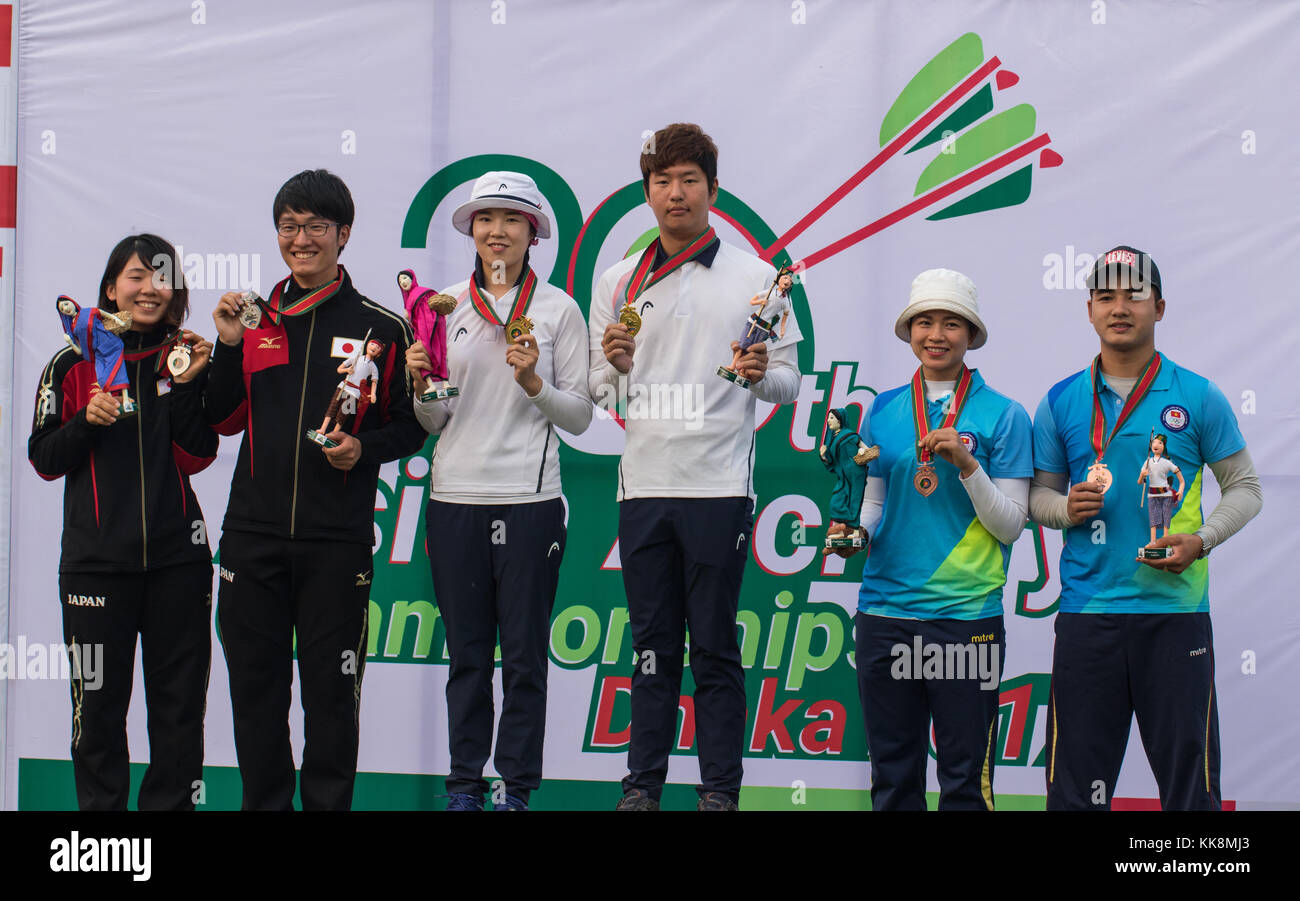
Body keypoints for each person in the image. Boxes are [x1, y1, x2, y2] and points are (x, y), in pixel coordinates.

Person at [589, 123, 803, 811]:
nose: (674, 193)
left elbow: (789, 383)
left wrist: (757, 373)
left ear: (712, 189)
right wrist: (616, 368)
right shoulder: (619, 278)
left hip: (718, 487)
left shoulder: (757, 279)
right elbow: (602, 391)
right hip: (643, 485)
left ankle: (719, 792)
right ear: (647, 191)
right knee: (651, 647)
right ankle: (641, 787)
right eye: (661, 180)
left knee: (712, 644)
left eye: (688, 180)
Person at [205, 169, 426, 810]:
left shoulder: (382, 327)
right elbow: (219, 421)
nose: (300, 240)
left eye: (315, 227)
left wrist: (362, 451)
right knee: (256, 695)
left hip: (337, 542)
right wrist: (225, 346)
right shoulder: (253, 319)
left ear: (343, 235)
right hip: (252, 538)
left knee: (333, 698)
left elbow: (411, 427)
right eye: (289, 226)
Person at [1029, 246, 1262, 810]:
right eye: (1105, 295)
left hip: (1175, 616)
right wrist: (1064, 509)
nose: (1120, 307)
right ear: (1089, 310)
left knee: (1190, 789)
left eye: (1134, 294)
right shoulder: (1061, 401)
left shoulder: (1198, 396)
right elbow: (1037, 496)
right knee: (1073, 789)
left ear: (1159, 306)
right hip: (1089, 616)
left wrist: (1201, 540)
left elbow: (1246, 489)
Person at [406, 171, 591, 812]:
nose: (498, 231)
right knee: (467, 660)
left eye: (512, 220)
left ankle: (516, 788)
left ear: (533, 232)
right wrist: (421, 385)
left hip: (530, 500)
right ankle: (463, 785)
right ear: (472, 231)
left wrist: (536, 382)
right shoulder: (441, 306)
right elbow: (435, 420)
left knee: (524, 660)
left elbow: (581, 416)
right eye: (486, 219)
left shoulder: (558, 309)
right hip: (455, 498)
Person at [29, 233, 217, 810]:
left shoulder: (187, 356)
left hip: (178, 566)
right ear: (111, 287)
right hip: (96, 570)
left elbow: (198, 454)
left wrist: (185, 389)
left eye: (162, 276)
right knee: (97, 718)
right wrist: (86, 421)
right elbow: (44, 459)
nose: (149, 287)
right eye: (136, 276)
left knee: (178, 714)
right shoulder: (71, 362)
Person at [837, 268, 1032, 811]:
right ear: (909, 331)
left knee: (964, 782)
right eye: (925, 322)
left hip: (967, 620)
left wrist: (969, 465)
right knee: (894, 779)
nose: (937, 334)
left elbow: (1011, 524)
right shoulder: (884, 409)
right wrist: (855, 533)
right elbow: (873, 501)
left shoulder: (1005, 416)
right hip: (885, 613)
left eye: (952, 323)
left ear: (971, 334)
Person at [1139, 432, 1184, 545]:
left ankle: (1165, 541)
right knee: (1153, 520)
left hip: (1166, 494)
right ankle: (1153, 541)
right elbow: (1139, 482)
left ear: (1163, 446)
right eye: (1154, 442)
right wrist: (1142, 475)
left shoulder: (1167, 463)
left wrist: (1181, 490)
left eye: (1159, 443)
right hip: (1152, 494)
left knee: (1166, 518)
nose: (1156, 445)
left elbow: (1181, 480)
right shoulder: (1147, 462)